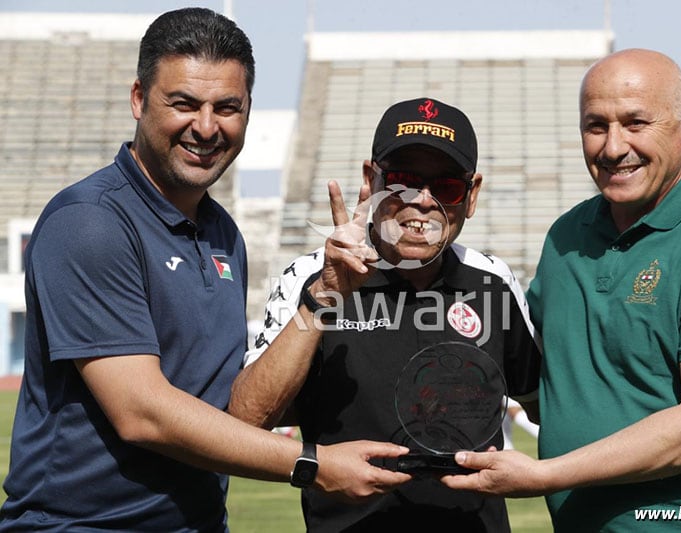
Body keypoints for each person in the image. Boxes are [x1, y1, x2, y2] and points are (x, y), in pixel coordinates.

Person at [0, 8, 410, 532]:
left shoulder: (222, 234)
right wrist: (312, 464)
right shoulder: (90, 223)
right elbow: (142, 414)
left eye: (228, 107)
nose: (207, 127)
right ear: (138, 99)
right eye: (184, 104)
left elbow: (232, 413)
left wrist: (324, 294)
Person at [441, 48, 681, 531]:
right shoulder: (566, 236)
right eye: (596, 125)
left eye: (636, 122)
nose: (613, 146)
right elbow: (539, 380)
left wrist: (545, 475)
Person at [229, 97, 542, 532]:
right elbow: (246, 422)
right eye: (403, 181)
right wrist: (324, 297)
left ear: (471, 197)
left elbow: (547, 405)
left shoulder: (493, 282)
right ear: (370, 180)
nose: (423, 201)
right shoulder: (310, 277)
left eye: (447, 186)